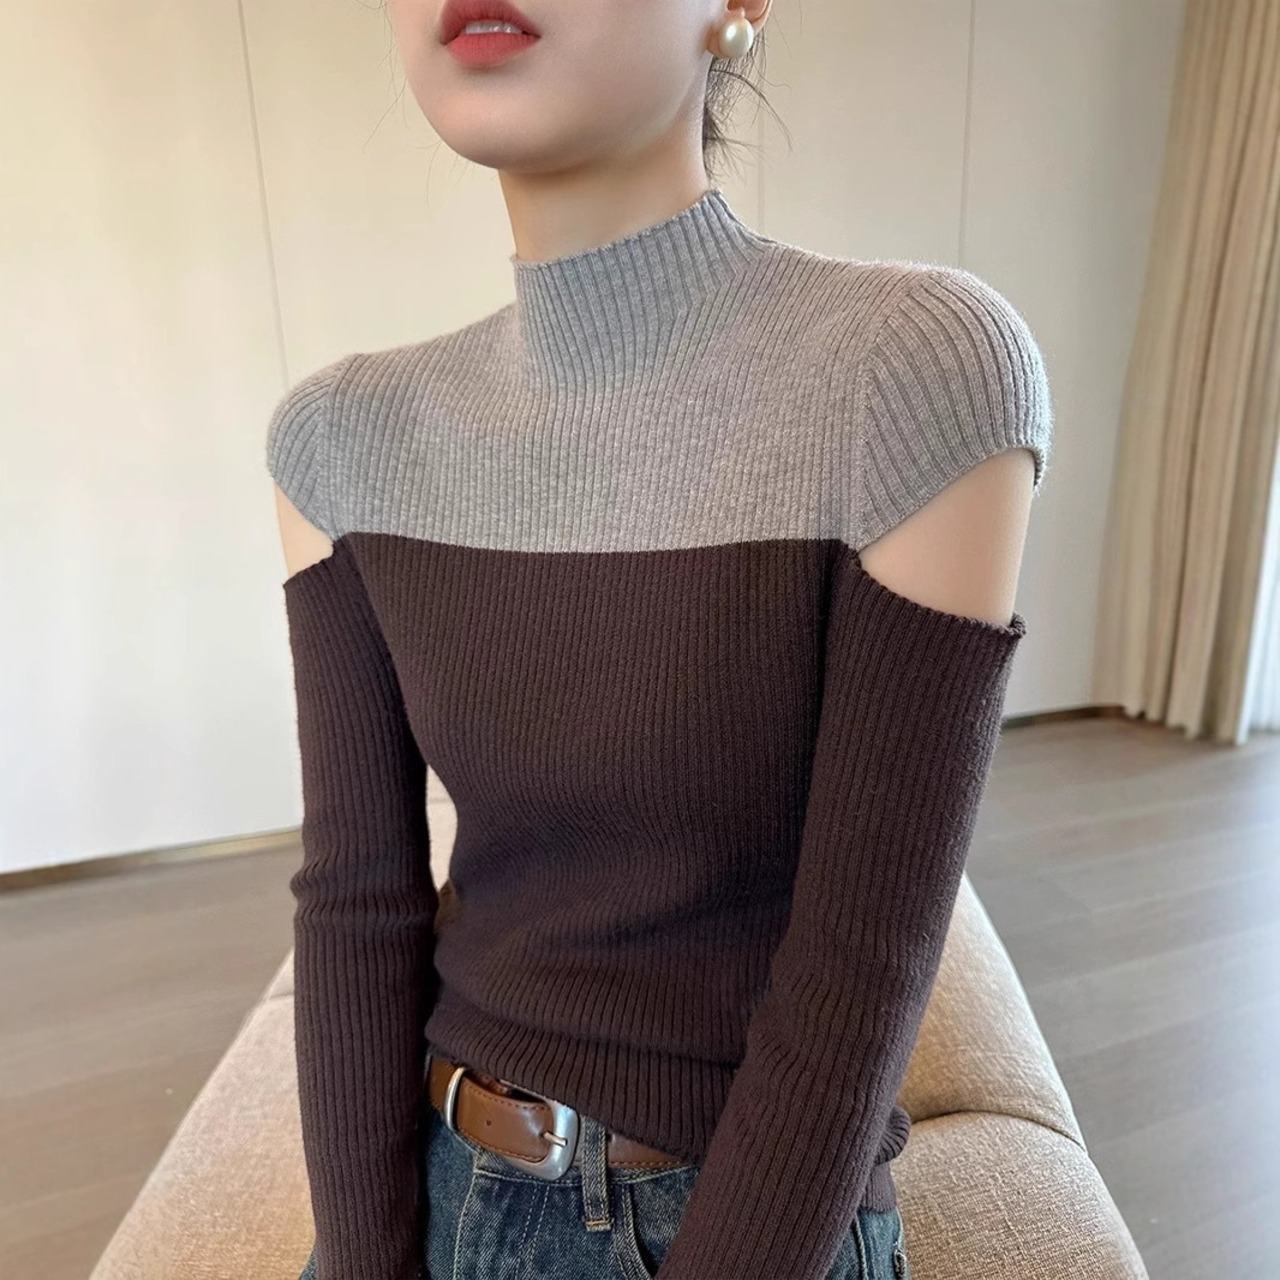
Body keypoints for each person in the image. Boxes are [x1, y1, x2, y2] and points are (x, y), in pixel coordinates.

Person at [268, 1, 1054, 1277]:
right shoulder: (340, 434)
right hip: (441, 1178)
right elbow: (356, 902)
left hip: (725, 1212)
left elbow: (860, 968)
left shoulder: (909, 372)